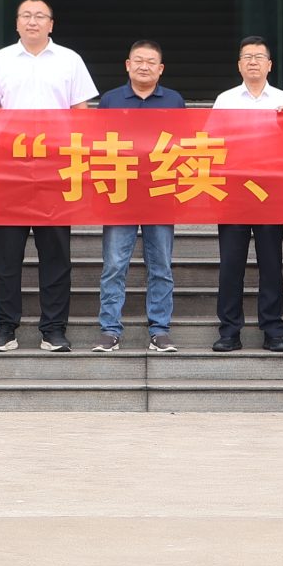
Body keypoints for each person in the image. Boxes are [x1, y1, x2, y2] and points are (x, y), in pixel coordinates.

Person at [0, 0, 97, 353]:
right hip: (10, 170)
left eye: (39, 16)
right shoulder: (0, 60)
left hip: (55, 169)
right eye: (26, 16)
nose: (32, 21)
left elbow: (81, 113)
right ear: (17, 23)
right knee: (4, 254)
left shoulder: (70, 60)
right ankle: (4, 328)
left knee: (56, 253)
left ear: (51, 24)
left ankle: (54, 329)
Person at [95, 40, 183, 354]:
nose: (144, 66)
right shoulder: (110, 100)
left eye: (151, 62)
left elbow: (183, 144)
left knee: (161, 267)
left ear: (160, 69)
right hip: (120, 194)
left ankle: (160, 330)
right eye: (139, 60)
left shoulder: (174, 101)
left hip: (160, 193)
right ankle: (109, 330)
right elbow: (96, 143)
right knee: (114, 266)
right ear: (127, 65)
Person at [209, 38, 283, 353]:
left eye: (259, 56)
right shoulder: (225, 100)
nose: (253, 62)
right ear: (239, 64)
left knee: (271, 263)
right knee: (231, 264)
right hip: (234, 190)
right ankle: (229, 331)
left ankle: (273, 330)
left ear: (270, 64)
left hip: (271, 190)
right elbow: (211, 141)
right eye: (247, 57)